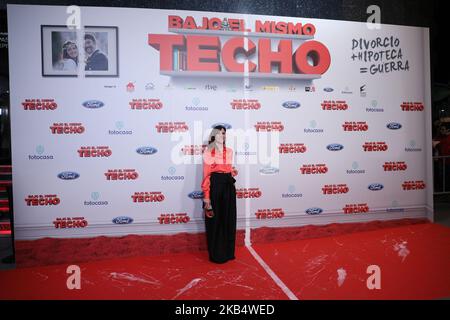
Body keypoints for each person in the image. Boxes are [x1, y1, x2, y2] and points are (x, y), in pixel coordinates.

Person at [201, 125, 238, 264]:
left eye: (224, 133)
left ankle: (228, 252)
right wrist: (206, 197)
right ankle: (216, 254)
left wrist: (232, 171)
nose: (223, 135)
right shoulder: (208, 153)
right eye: (220, 133)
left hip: (228, 186)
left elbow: (227, 168)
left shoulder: (229, 151)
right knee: (215, 221)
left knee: (229, 219)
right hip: (215, 187)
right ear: (213, 135)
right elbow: (206, 175)